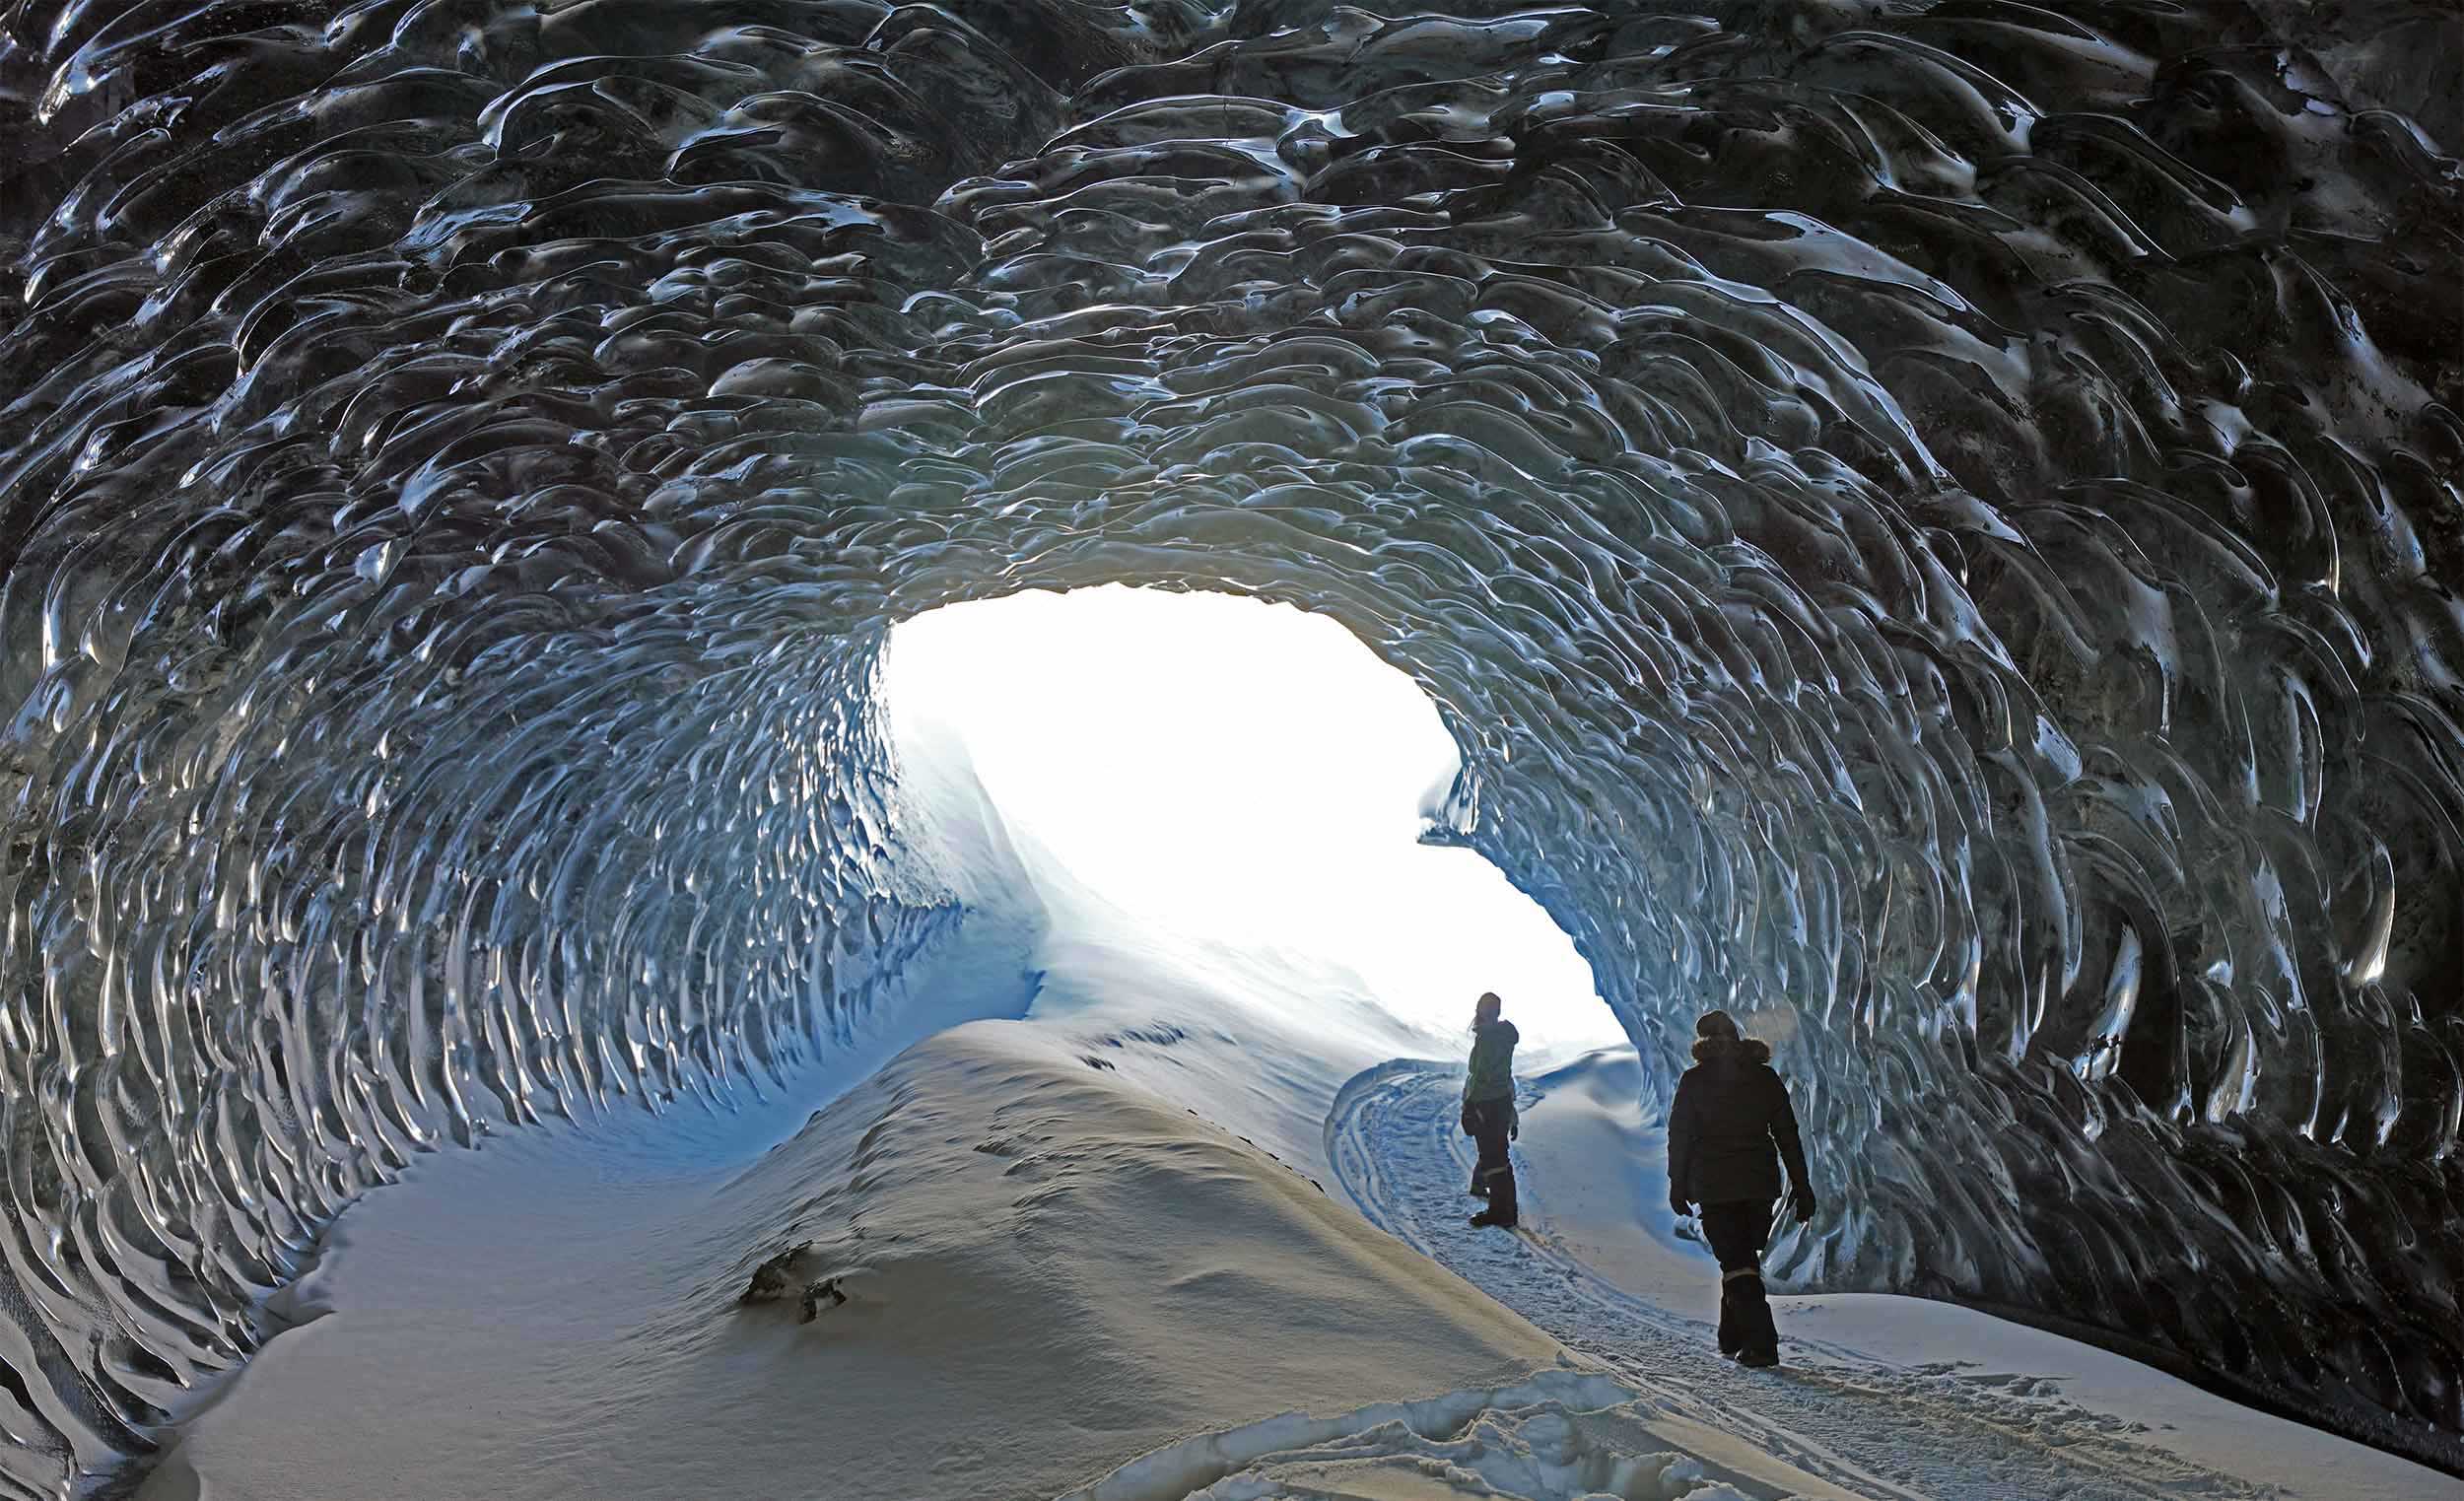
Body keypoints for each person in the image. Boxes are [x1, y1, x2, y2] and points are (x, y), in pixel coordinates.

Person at [1666, 1009, 1815, 1368]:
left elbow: (1680, 1136)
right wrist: (1801, 1184)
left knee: (1737, 1261)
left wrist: (1677, 1183)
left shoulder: (1695, 1080)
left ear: (1702, 1042)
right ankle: (1731, 1334)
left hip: (1715, 1184)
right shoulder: (1764, 1078)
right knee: (1741, 1258)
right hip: (1759, 1184)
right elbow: (1787, 1134)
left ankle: (1762, 1344)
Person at [1461, 991, 1520, 1229]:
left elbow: (1481, 1074)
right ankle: (1508, 1211)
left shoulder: (1488, 1038)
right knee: (1500, 1158)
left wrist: (1471, 1105)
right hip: (1500, 1102)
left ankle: (1499, 1212)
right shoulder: (1504, 1036)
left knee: (1492, 1158)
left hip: (1487, 1103)